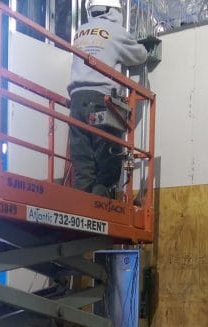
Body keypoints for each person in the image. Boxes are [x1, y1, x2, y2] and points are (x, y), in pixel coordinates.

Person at [68, 0, 147, 197]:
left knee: (82, 159)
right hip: (100, 100)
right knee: (108, 156)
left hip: (76, 101)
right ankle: (101, 203)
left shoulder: (80, 32)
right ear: (114, 10)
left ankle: (80, 201)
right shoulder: (115, 31)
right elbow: (140, 55)